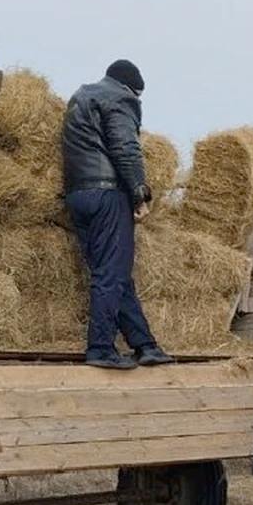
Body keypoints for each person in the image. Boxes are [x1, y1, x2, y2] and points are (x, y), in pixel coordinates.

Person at [62, 60, 172, 370]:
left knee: (113, 271)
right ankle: (100, 348)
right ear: (133, 89)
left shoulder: (81, 97)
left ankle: (144, 343)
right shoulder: (121, 98)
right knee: (110, 274)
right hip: (108, 193)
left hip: (78, 194)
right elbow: (125, 147)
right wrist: (139, 192)